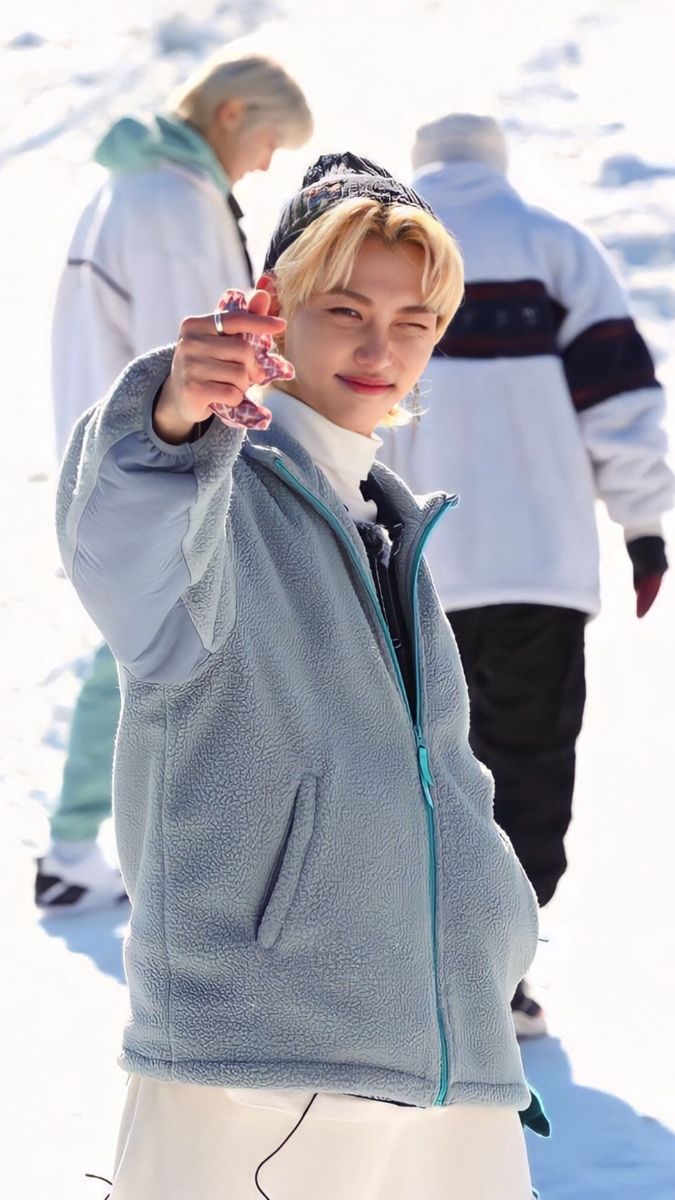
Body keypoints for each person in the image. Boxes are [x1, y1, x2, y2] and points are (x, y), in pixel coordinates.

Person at [56, 152, 548, 1199]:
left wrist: (491, 917)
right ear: (273, 313)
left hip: (450, 1062)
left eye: (415, 318)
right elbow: (120, 540)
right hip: (267, 1076)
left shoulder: (386, 520)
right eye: (346, 308)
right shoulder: (213, 502)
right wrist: (173, 418)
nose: (383, 345)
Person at [378, 114, 674, 1037]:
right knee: (530, 765)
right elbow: (620, 399)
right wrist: (641, 526)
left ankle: (418, 969)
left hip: (411, 558)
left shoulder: (392, 251)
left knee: (416, 763)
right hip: (541, 565)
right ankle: (500, 977)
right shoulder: (558, 248)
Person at [37, 52, 313, 912]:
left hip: (129, 445)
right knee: (142, 646)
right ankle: (83, 847)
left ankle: (90, 845)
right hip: (157, 449)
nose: (266, 163)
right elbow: (192, 346)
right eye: (269, 141)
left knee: (138, 638)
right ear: (230, 114)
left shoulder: (140, 189)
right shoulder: (167, 201)